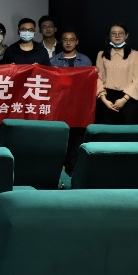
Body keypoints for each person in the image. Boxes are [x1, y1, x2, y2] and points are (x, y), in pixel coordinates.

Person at [50, 29, 93, 176]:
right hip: (60, 107)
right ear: (61, 42)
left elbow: (89, 84)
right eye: (65, 40)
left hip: (79, 108)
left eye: (72, 40)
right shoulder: (53, 61)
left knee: (76, 141)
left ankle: (72, 173)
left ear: (77, 42)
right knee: (60, 140)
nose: (68, 43)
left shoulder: (85, 61)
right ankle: (58, 173)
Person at [95, 23, 138, 125]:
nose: (117, 36)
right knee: (107, 131)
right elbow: (98, 78)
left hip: (128, 100)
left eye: (120, 33)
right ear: (109, 36)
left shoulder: (135, 55)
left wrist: (123, 100)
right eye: (114, 33)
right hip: (107, 99)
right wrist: (104, 99)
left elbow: (137, 80)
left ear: (126, 36)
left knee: (126, 132)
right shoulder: (101, 54)